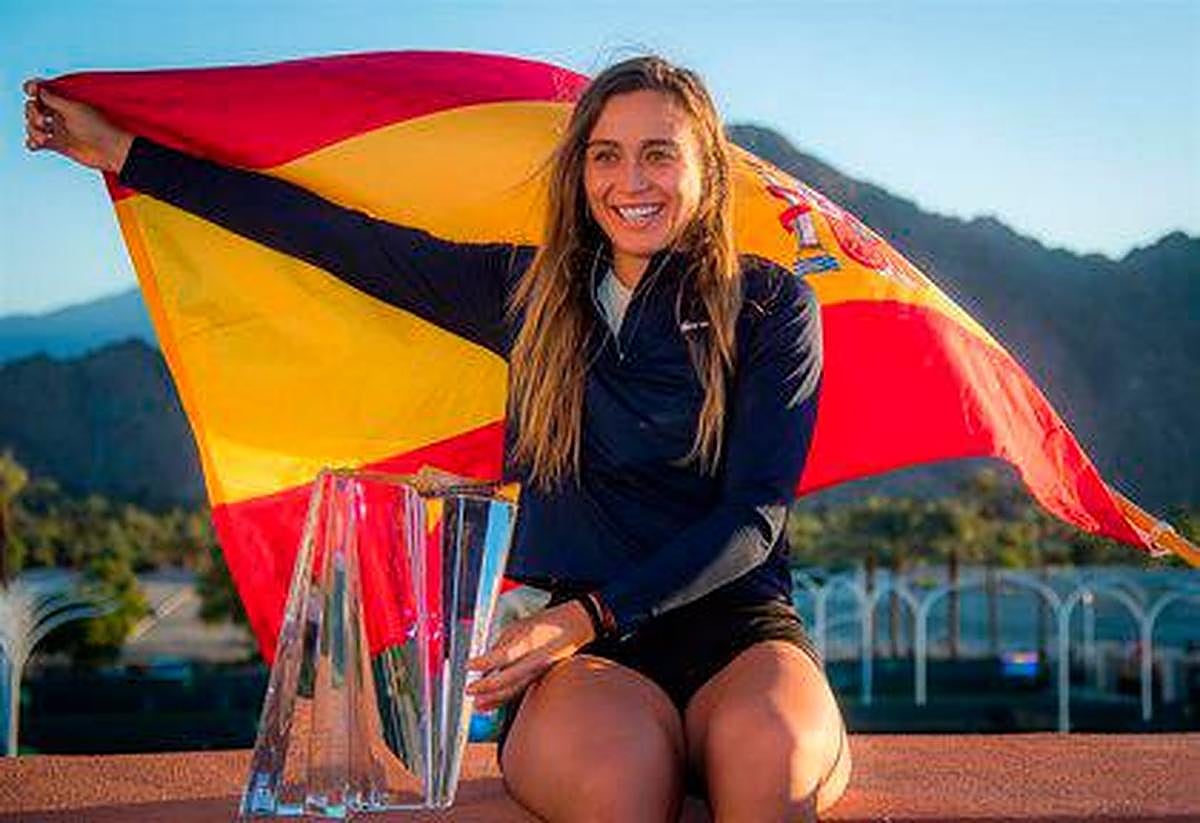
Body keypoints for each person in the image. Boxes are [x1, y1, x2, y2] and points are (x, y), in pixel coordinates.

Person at [25, 55, 850, 821]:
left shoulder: (770, 305)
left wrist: (584, 616)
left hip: (737, 632)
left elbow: (753, 517)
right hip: (584, 663)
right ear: (581, 172)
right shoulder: (526, 294)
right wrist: (125, 154)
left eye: (658, 154)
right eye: (606, 155)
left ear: (707, 167)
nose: (631, 181)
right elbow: (333, 236)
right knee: (621, 781)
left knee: (774, 767)